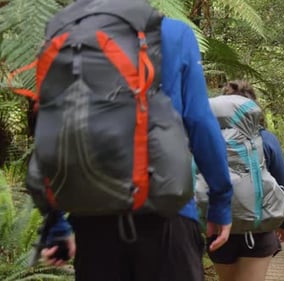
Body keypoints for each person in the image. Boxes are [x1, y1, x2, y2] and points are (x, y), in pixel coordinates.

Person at [39, 10, 233, 281]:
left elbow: (53, 134)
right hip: (168, 213)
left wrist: (57, 221)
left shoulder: (69, 39)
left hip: (94, 219)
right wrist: (221, 201)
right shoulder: (176, 34)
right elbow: (200, 122)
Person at [207, 80, 284, 281]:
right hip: (258, 228)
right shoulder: (266, 139)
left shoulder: (209, 139)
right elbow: (283, 185)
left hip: (219, 230)